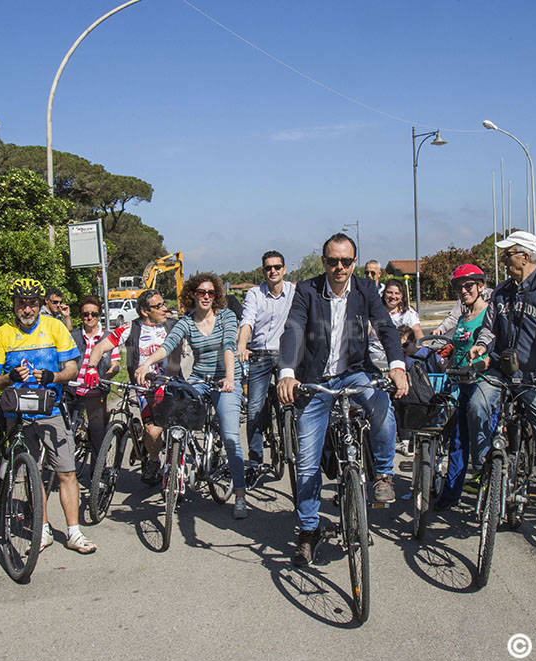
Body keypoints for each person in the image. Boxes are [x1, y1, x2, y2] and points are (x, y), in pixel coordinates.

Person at [277, 233, 409, 566]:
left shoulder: (366, 290)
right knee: (307, 460)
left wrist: (397, 366)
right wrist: (288, 371)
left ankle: (382, 475)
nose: (339, 267)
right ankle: (308, 529)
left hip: (354, 371)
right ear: (324, 262)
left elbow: (386, 327)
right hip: (315, 379)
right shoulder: (307, 290)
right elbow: (293, 328)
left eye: (346, 261)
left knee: (381, 405)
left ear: (355, 262)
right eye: (333, 261)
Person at [466, 231, 536, 548]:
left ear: (524, 257)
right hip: (501, 373)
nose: (503, 260)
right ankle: (485, 468)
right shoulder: (501, 292)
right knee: (476, 406)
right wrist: (481, 347)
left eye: (508, 254)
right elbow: (489, 329)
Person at [0, 278, 95, 554]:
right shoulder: (3, 334)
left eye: (32, 304)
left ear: (40, 305)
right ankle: (42, 529)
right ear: (15, 306)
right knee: (32, 473)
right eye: (22, 304)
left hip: (51, 410)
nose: (27, 309)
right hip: (18, 413)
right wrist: (8, 377)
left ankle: (74, 532)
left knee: (66, 471)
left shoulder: (54, 327)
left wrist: (53, 376)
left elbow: (72, 369)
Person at [134, 273, 249, 519]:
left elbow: (229, 345)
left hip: (226, 377)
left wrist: (230, 377)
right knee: (178, 418)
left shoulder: (226, 316)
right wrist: (146, 364)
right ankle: (179, 465)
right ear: (193, 295)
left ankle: (240, 494)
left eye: (210, 293)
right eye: (201, 292)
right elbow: (168, 345)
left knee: (230, 437)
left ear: (216, 295)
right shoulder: (186, 321)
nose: (206, 297)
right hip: (199, 378)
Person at [84, 289, 183, 485]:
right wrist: (91, 368)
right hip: (145, 390)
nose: (165, 308)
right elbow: (99, 347)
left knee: (176, 431)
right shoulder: (130, 328)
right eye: (158, 306)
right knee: (153, 432)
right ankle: (153, 460)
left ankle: (177, 469)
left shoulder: (175, 326)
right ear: (145, 311)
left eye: (164, 304)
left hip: (172, 387)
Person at [236, 250, 296, 471]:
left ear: (284, 269)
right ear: (263, 271)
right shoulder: (254, 294)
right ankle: (255, 460)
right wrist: (242, 345)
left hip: (286, 354)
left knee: (296, 400)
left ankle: (297, 445)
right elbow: (247, 321)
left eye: (277, 267)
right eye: (268, 268)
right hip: (260, 354)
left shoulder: (294, 292)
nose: (273, 271)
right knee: (254, 409)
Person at [436, 264, 489, 510]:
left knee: (481, 438)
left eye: (469, 286)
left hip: (481, 384)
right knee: (457, 441)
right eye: (459, 287)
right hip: (460, 383)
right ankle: (451, 494)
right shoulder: (463, 317)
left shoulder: (488, 315)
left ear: (481, 286)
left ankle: (488, 489)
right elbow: (459, 344)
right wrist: (447, 350)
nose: (464, 291)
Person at [68, 295, 120, 473]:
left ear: (99, 315)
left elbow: (115, 363)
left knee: (97, 432)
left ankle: (97, 473)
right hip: (72, 388)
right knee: (66, 430)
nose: (89, 318)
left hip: (96, 390)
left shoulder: (108, 337)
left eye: (94, 314)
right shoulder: (73, 336)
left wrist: (107, 375)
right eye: (85, 314)